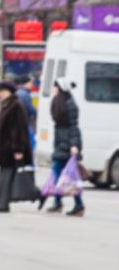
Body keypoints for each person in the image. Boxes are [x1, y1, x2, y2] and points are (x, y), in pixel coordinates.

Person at [0, 81, 32, 213]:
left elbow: (18, 130)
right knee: (4, 177)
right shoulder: (6, 105)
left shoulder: (15, 106)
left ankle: (2, 204)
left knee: (6, 177)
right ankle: (1, 203)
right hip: (5, 149)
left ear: (9, 92)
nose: (0, 94)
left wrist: (18, 149)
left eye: (2, 92)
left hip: (10, 149)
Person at [43, 78, 85, 216]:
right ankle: (61, 203)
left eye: (55, 87)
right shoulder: (59, 102)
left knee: (64, 175)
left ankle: (73, 204)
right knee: (63, 175)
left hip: (68, 144)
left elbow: (74, 126)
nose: (53, 89)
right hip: (61, 143)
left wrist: (74, 145)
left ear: (60, 89)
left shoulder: (70, 104)